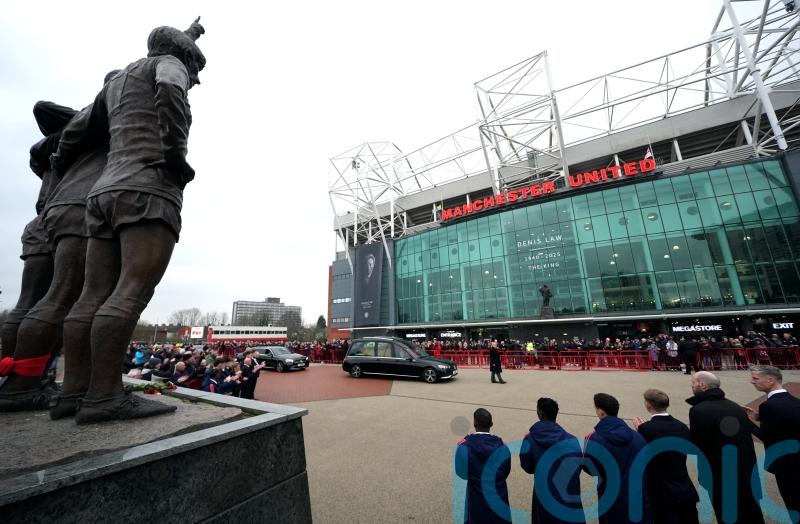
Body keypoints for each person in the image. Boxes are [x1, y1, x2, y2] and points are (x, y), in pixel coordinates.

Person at [51, 18, 206, 424]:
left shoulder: (116, 82)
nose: (195, 81)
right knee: (130, 292)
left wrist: (57, 167)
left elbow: (75, 132)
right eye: (197, 73)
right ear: (184, 60)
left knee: (90, 296)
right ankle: (105, 397)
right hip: (148, 188)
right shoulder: (170, 65)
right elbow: (172, 86)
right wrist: (175, 154)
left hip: (102, 195)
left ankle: (74, 394)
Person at [686, 371, 764, 524]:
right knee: (751, 511)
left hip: (719, 472)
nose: (692, 386)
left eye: (693, 383)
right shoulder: (734, 406)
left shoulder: (699, 410)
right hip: (746, 469)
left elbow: (696, 445)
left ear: (702, 385)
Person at [583, 393, 651, 524]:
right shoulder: (638, 438)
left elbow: (590, 469)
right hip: (636, 493)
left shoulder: (595, 439)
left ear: (601, 412)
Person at [632, 389, 699, 524]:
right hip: (683, 484)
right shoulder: (681, 426)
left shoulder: (646, 429)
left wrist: (641, 430)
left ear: (648, 405)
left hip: (661, 489)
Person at [746, 365, 800, 520]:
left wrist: (745, 422)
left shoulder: (768, 406)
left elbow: (766, 436)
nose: (752, 382)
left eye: (755, 378)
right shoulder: (794, 401)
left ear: (770, 380)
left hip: (786, 464)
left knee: (793, 502)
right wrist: (760, 417)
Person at [520, 398, 585, 524]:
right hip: (568, 495)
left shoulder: (530, 439)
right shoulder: (572, 440)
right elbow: (578, 467)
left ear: (540, 413)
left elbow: (527, 467)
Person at [455, 408, 511, 523]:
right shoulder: (503, 447)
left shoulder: (464, 447)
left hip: (476, 500)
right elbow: (505, 472)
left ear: (475, 424)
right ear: (491, 424)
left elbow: (461, 473)